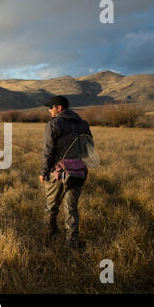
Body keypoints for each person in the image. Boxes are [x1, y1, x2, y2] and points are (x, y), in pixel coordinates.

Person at [39, 95, 93, 249]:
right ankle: (72, 242)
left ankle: (49, 236)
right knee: (71, 208)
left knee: (51, 206)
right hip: (78, 172)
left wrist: (43, 172)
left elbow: (47, 151)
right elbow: (89, 149)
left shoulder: (54, 124)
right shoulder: (83, 124)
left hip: (58, 173)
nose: (49, 110)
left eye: (51, 108)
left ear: (59, 108)